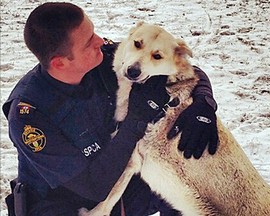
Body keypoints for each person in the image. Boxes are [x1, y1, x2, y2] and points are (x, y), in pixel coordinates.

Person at [2, 2, 218, 216]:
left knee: (186, 181)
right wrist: (137, 119)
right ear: (60, 63)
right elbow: (93, 186)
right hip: (63, 201)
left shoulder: (102, 59)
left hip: (120, 175)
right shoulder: (29, 114)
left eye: (93, 32)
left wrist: (203, 104)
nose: (99, 41)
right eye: (88, 42)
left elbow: (182, 68)